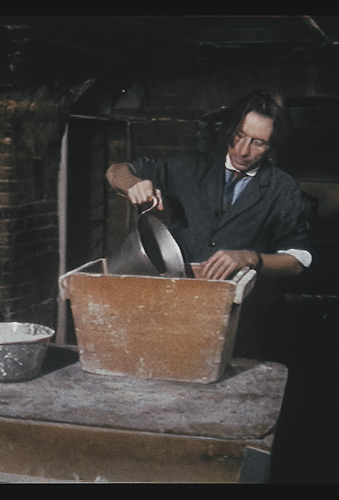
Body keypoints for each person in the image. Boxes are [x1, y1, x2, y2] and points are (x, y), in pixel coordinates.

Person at [106, 90, 312, 360]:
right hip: (175, 311)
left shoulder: (282, 188)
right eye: (239, 135)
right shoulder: (190, 167)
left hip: (241, 323)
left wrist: (250, 257)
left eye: (258, 143)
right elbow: (116, 171)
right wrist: (134, 184)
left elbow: (298, 260)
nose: (243, 150)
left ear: (272, 145)